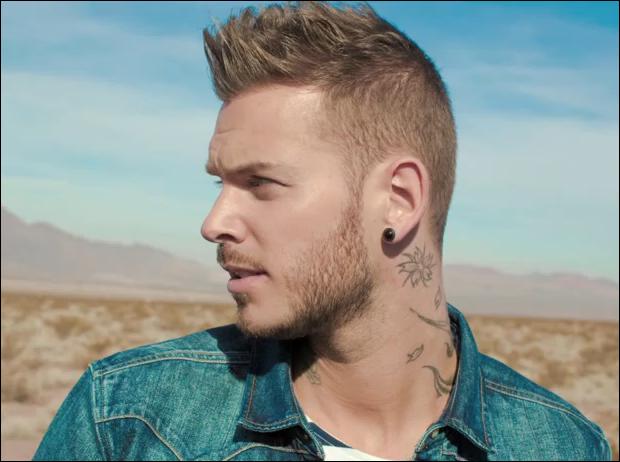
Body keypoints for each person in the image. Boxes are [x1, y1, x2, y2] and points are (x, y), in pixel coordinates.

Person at [34, 2, 612, 460]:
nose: (214, 224)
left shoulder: (562, 446)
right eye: (220, 184)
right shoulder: (128, 419)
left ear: (399, 200)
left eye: (261, 183)